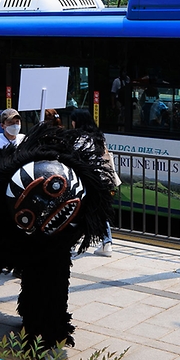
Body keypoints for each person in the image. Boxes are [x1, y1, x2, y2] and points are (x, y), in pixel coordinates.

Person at [71, 108, 120, 257]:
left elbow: (75, 159)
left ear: (77, 122)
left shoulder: (79, 139)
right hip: (102, 180)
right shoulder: (98, 137)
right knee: (100, 211)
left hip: (86, 180)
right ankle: (107, 244)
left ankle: (71, 244)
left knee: (76, 211)